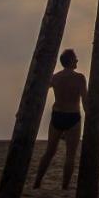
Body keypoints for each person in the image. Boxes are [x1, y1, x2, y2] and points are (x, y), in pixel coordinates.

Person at [33, 48, 87, 189]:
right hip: (72, 117)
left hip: (57, 115)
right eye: (75, 59)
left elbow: (40, 90)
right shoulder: (79, 78)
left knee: (50, 152)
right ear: (71, 61)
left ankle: (37, 182)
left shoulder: (55, 77)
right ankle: (64, 186)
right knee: (70, 154)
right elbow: (85, 101)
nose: (77, 60)